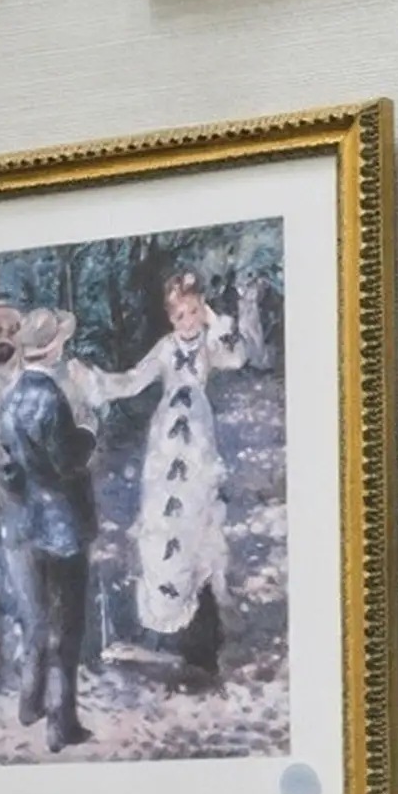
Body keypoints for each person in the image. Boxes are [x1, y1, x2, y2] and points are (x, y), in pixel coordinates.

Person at [72, 260, 246, 696]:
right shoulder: (167, 348)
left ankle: (202, 641)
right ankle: (166, 629)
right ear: (170, 317)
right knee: (162, 529)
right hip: (166, 444)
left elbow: (237, 356)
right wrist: (94, 381)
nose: (185, 321)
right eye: (178, 315)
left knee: (198, 527)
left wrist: (214, 319)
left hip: (198, 445)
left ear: (199, 307)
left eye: (191, 312)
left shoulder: (209, 343)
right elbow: (132, 381)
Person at [0, 301, 100, 751]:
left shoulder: (12, 397)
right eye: (61, 341)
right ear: (52, 348)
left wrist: (23, 492)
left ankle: (29, 704)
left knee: (35, 621)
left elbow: (4, 467)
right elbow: (69, 459)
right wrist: (89, 429)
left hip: (23, 528)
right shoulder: (53, 398)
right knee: (65, 628)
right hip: (63, 530)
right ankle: (61, 723)